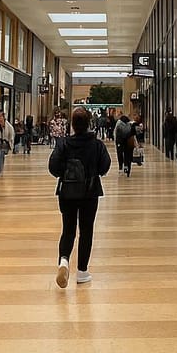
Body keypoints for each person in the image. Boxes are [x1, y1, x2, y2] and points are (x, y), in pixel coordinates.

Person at [49, 107, 111, 288]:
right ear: (89, 124)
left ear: (73, 125)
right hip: (89, 193)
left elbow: (53, 167)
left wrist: (65, 173)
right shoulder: (97, 145)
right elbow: (105, 166)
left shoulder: (63, 144)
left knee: (68, 229)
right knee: (86, 230)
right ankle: (82, 272)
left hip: (67, 193)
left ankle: (64, 260)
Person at [0, 113, 15, 177]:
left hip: (4, 143)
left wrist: (10, 143)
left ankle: (1, 169)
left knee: (1, 155)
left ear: (3, 118)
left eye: (1, 117)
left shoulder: (9, 126)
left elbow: (11, 135)